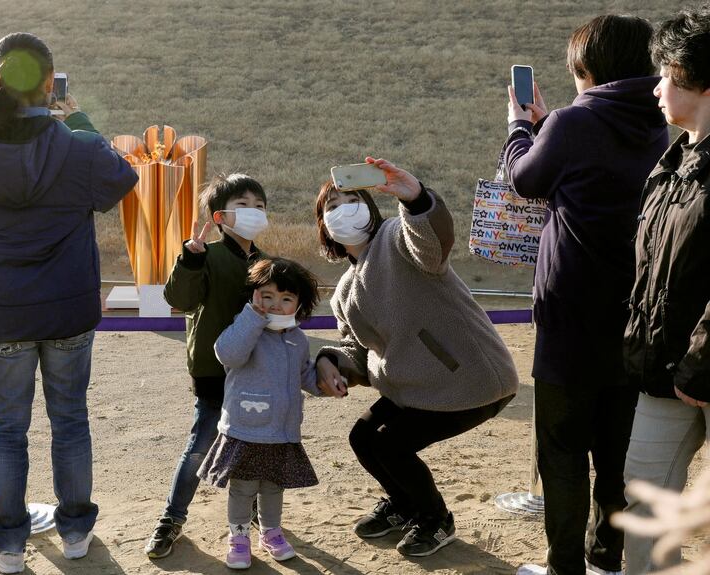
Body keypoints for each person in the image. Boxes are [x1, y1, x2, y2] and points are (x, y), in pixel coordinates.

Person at [0, 33, 138, 574]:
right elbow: (123, 179)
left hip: (3, 306)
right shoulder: (76, 146)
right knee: (70, 420)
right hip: (68, 307)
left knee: (7, 428)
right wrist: (78, 122)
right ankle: (75, 532)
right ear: (50, 83)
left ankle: (7, 543)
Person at [503, 14, 669, 575]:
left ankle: (563, 567)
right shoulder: (660, 123)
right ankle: (607, 560)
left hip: (570, 316)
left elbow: (524, 179)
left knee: (564, 451)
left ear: (586, 67)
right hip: (634, 315)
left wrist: (521, 129)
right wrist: (553, 126)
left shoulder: (573, 122)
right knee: (615, 455)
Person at [314, 157, 519, 558]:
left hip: (470, 381)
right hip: (415, 388)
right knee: (363, 437)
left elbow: (431, 243)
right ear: (323, 226)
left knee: (391, 446)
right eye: (330, 207)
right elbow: (357, 352)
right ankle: (404, 505)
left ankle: (435, 519)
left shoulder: (395, 237)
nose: (341, 210)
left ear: (370, 208)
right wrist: (329, 361)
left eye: (350, 198)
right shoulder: (342, 290)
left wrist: (416, 199)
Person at [621, 7, 710, 573]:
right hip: (666, 369)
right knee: (645, 496)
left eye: (666, 75)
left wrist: (700, 364)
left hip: (698, 366)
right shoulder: (672, 163)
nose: (656, 89)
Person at [145, 173, 268, 558]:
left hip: (255, 371)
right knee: (200, 447)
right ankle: (171, 518)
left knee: (251, 446)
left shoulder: (265, 264)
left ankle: (250, 513)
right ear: (220, 218)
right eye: (243, 206)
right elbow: (177, 297)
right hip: (213, 372)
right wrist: (190, 259)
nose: (254, 213)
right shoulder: (205, 255)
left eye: (260, 206)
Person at [198, 257, 323, 569]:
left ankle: (271, 533)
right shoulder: (247, 331)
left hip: (282, 431)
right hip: (245, 428)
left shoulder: (298, 338)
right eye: (267, 296)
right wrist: (252, 318)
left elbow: (305, 375)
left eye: (286, 299)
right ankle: (238, 538)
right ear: (254, 296)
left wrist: (329, 383)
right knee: (242, 489)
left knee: (273, 487)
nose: (276, 305)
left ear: (299, 304)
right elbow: (228, 353)